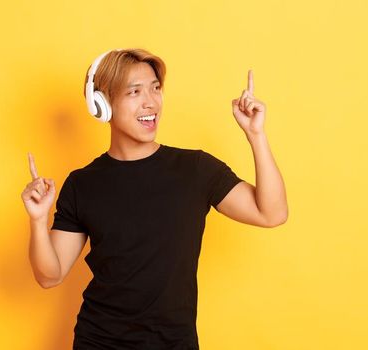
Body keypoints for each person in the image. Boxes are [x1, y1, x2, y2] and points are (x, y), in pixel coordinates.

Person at [21, 48, 288, 349]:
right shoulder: (83, 184)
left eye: (156, 88)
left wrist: (256, 135)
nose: (151, 102)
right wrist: (38, 219)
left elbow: (271, 213)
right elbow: (49, 276)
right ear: (102, 105)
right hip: (99, 341)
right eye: (134, 91)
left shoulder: (195, 169)